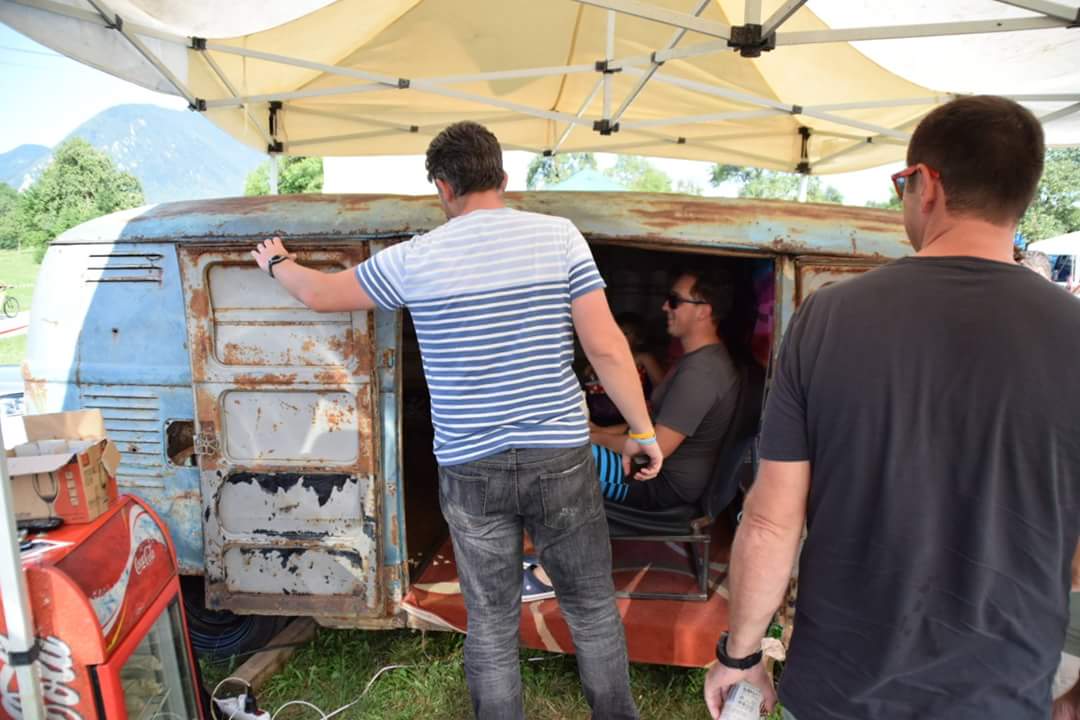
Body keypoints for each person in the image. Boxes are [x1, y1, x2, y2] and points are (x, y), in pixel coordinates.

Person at [251, 121, 661, 720]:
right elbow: (605, 347)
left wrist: (277, 261)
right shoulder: (560, 238)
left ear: (443, 187)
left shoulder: (416, 258)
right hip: (558, 457)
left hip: (471, 465)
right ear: (503, 177)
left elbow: (319, 294)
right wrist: (641, 432)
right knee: (591, 607)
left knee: (492, 622)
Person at [703, 95, 1080, 719]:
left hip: (840, 689)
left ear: (925, 184)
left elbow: (771, 521)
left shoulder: (829, 317)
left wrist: (741, 656)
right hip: (1002, 694)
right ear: (1024, 194)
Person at [591, 270, 739, 511]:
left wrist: (591, 439)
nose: (665, 307)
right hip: (648, 470)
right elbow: (652, 425)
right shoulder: (696, 360)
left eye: (674, 300)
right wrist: (600, 431)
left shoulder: (701, 372)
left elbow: (654, 447)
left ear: (703, 311)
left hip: (658, 485)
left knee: (549, 457)